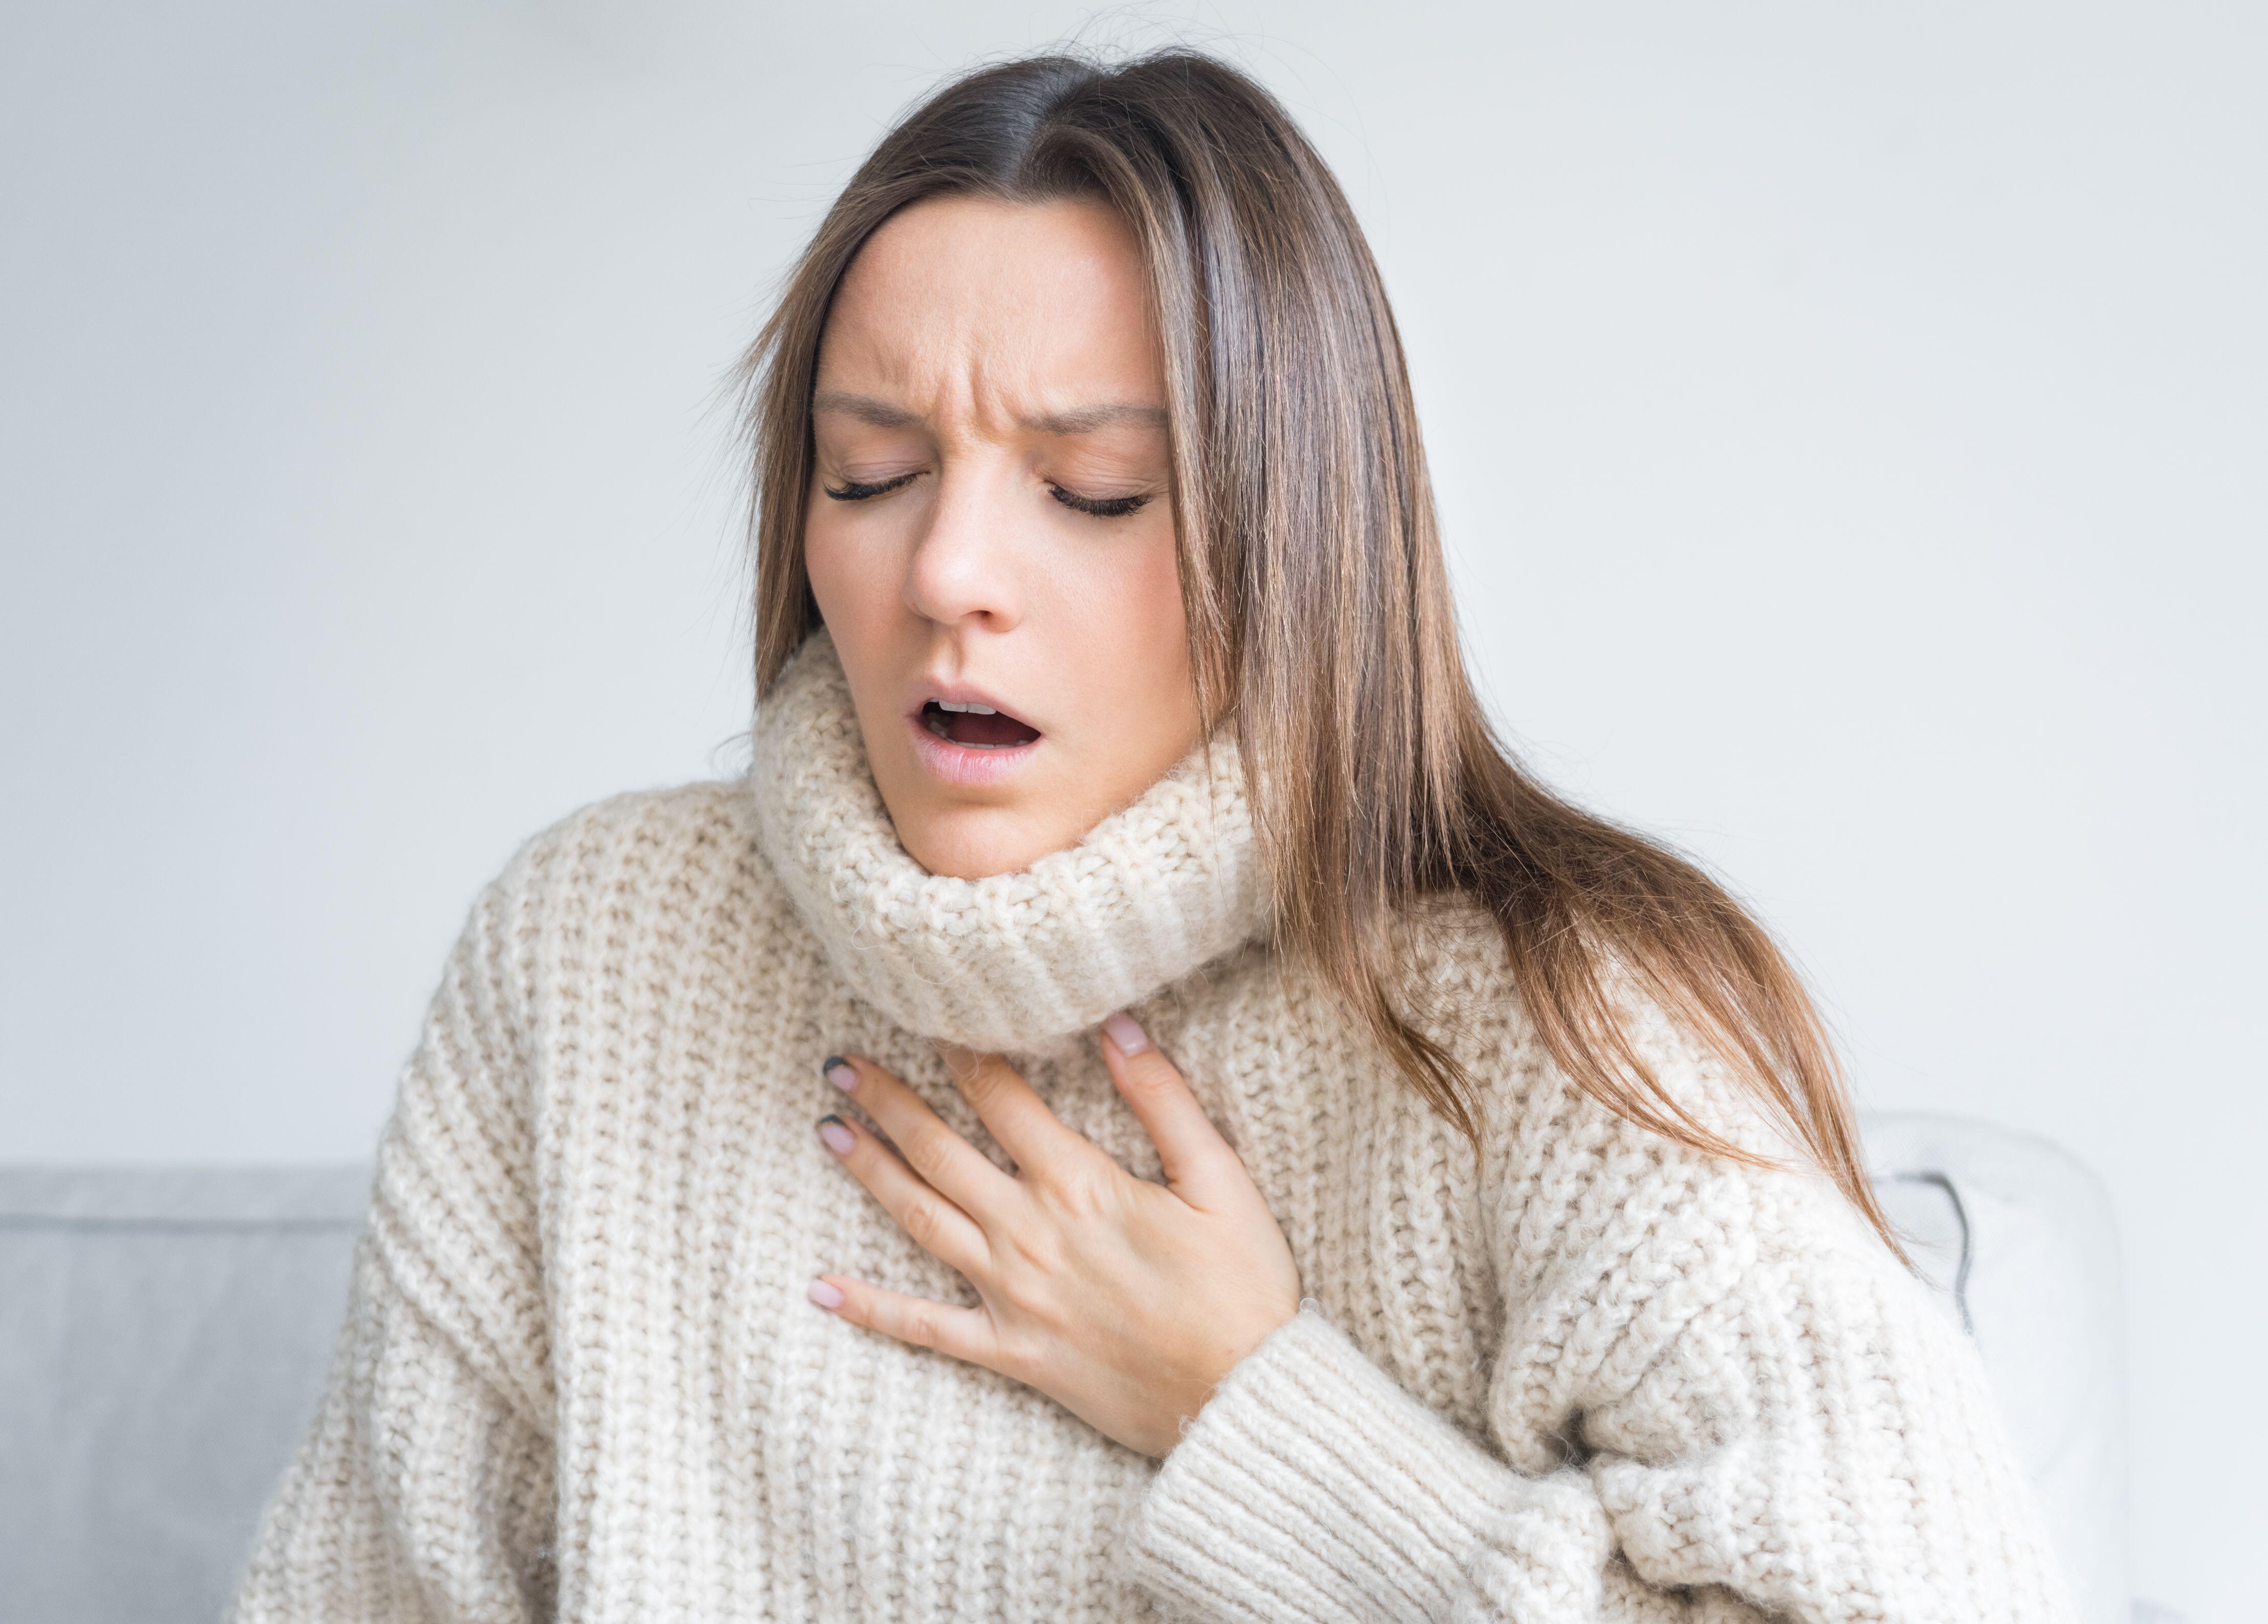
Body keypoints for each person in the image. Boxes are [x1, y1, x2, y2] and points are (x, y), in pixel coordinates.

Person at [230, 49, 2071, 1624]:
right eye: (868, 473)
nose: (947, 572)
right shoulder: (591, 952)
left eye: (1091, 491)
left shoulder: (1555, 1012)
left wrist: (1257, 1414)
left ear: (1298, 534)